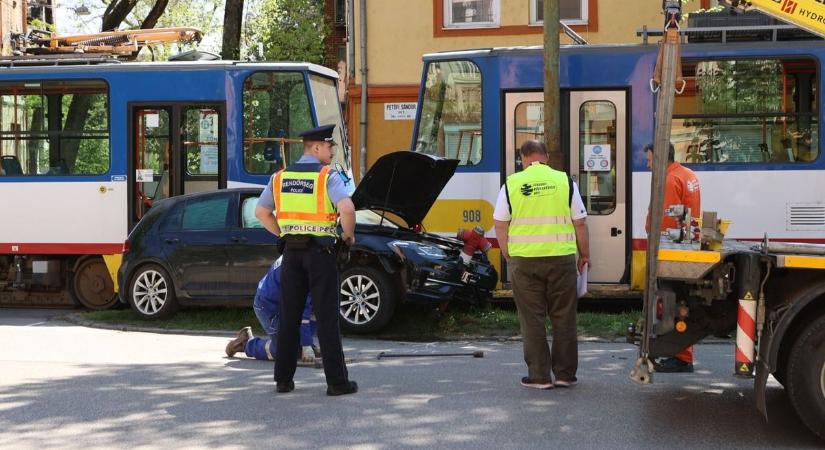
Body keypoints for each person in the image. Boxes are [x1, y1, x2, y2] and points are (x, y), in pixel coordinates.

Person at [255, 123, 358, 396]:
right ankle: (337, 382)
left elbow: (261, 212)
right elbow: (347, 208)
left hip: (291, 255)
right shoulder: (326, 177)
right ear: (316, 147)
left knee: (289, 316)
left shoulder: (279, 177)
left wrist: (283, 234)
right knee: (326, 317)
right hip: (321, 255)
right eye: (329, 146)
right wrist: (347, 237)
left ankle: (283, 380)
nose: (332, 151)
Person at [493, 140, 590, 390]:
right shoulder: (565, 181)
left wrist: (507, 254)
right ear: (546, 156)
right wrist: (584, 255)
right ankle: (565, 375)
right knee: (564, 316)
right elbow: (579, 222)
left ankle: (539, 376)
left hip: (523, 261)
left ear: (523, 158)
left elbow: (501, 225)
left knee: (532, 319)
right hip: (561, 259)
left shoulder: (511, 184)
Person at [644, 142, 701, 373]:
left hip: (671, 247)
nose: (648, 164)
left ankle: (681, 355)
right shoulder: (687, 174)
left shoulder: (668, 180)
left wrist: (655, 243)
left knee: (672, 301)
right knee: (682, 299)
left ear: (659, 158)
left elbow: (664, 219)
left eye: (649, 160)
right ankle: (682, 353)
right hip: (685, 243)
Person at [224, 257, 318, 363]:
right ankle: (246, 343)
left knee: (299, 347)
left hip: (283, 305)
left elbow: (315, 310)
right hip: (269, 308)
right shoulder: (303, 270)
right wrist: (306, 344)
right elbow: (303, 312)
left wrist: (307, 343)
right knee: (286, 351)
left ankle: (300, 345)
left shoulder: (301, 255)